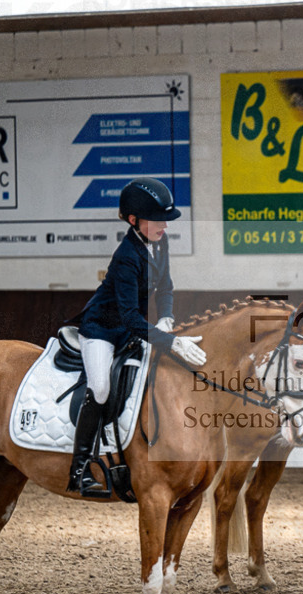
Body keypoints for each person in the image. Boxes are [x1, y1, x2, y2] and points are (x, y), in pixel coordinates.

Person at [66, 177, 207, 495]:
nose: (164, 227)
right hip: (102, 329)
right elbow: (129, 317)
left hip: (133, 328)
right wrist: (169, 342)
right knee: (101, 388)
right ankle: (79, 469)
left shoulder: (160, 242)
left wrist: (168, 317)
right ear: (134, 220)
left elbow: (166, 286)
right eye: (158, 221)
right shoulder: (126, 256)